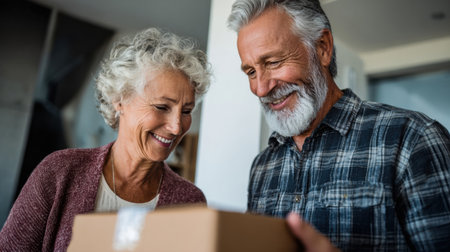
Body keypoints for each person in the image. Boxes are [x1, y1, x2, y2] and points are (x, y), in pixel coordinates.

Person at [228, 0, 450, 251]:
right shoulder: (262, 166)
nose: (260, 88)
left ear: (322, 47)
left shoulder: (414, 139)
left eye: (273, 62)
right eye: (250, 72)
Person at [0, 28, 211, 251]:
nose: (177, 126)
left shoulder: (190, 202)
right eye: (161, 107)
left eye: (186, 111)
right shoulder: (60, 171)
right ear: (119, 101)